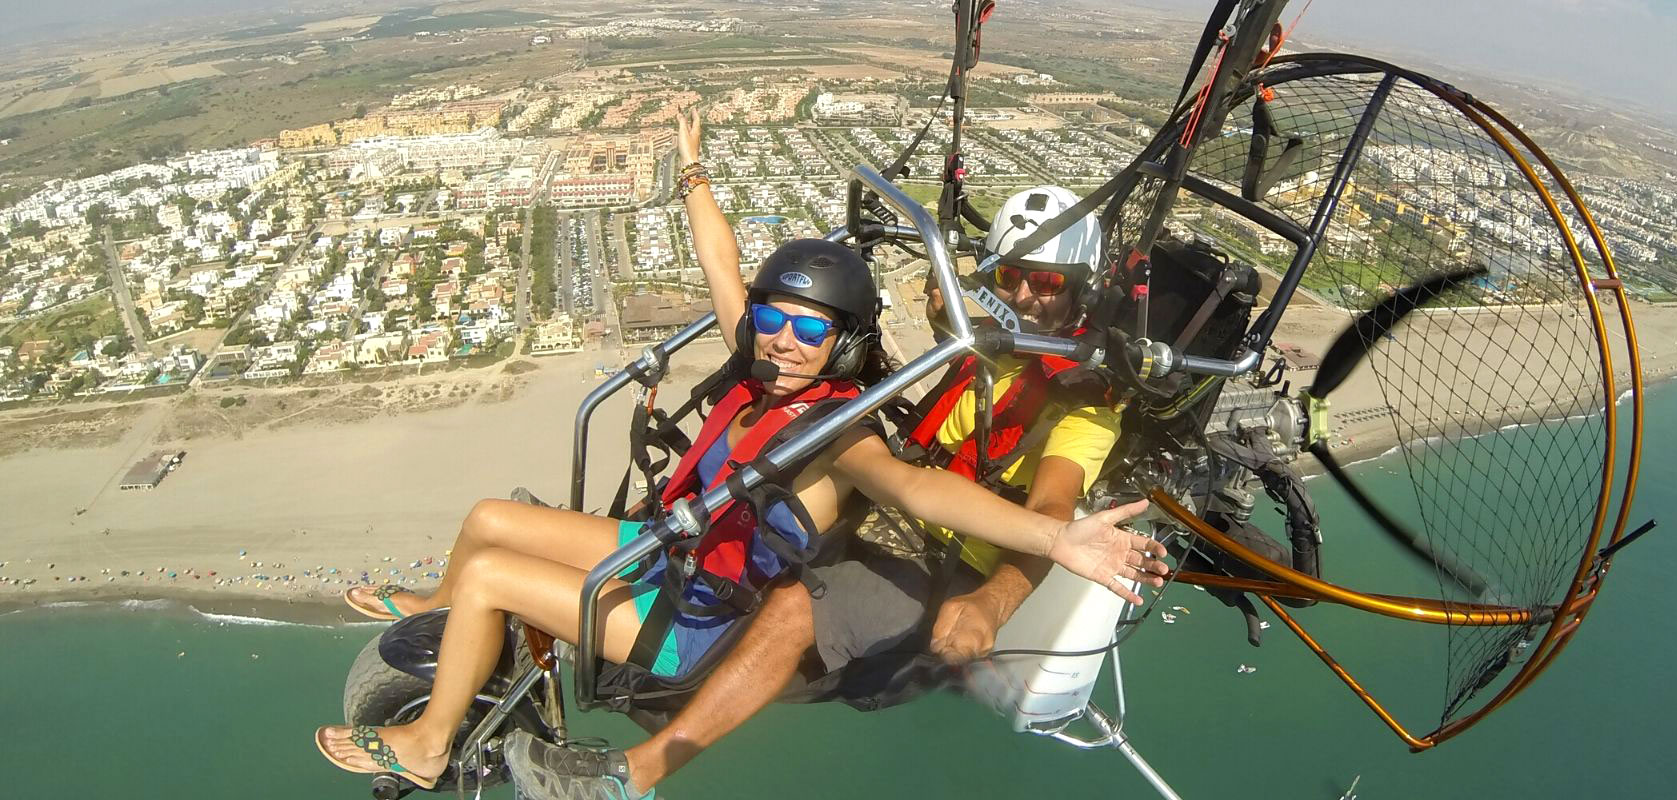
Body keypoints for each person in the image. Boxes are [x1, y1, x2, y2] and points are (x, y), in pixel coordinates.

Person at [314, 114, 1169, 799]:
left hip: (691, 618)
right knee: (489, 524)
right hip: (673, 555)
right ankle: (434, 605)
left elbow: (912, 486)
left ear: (839, 350)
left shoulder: (838, 434)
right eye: (775, 323)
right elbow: (725, 270)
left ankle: (428, 746)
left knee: (493, 574)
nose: (784, 341)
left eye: (808, 330)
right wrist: (693, 173)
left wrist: (1058, 544)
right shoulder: (767, 373)